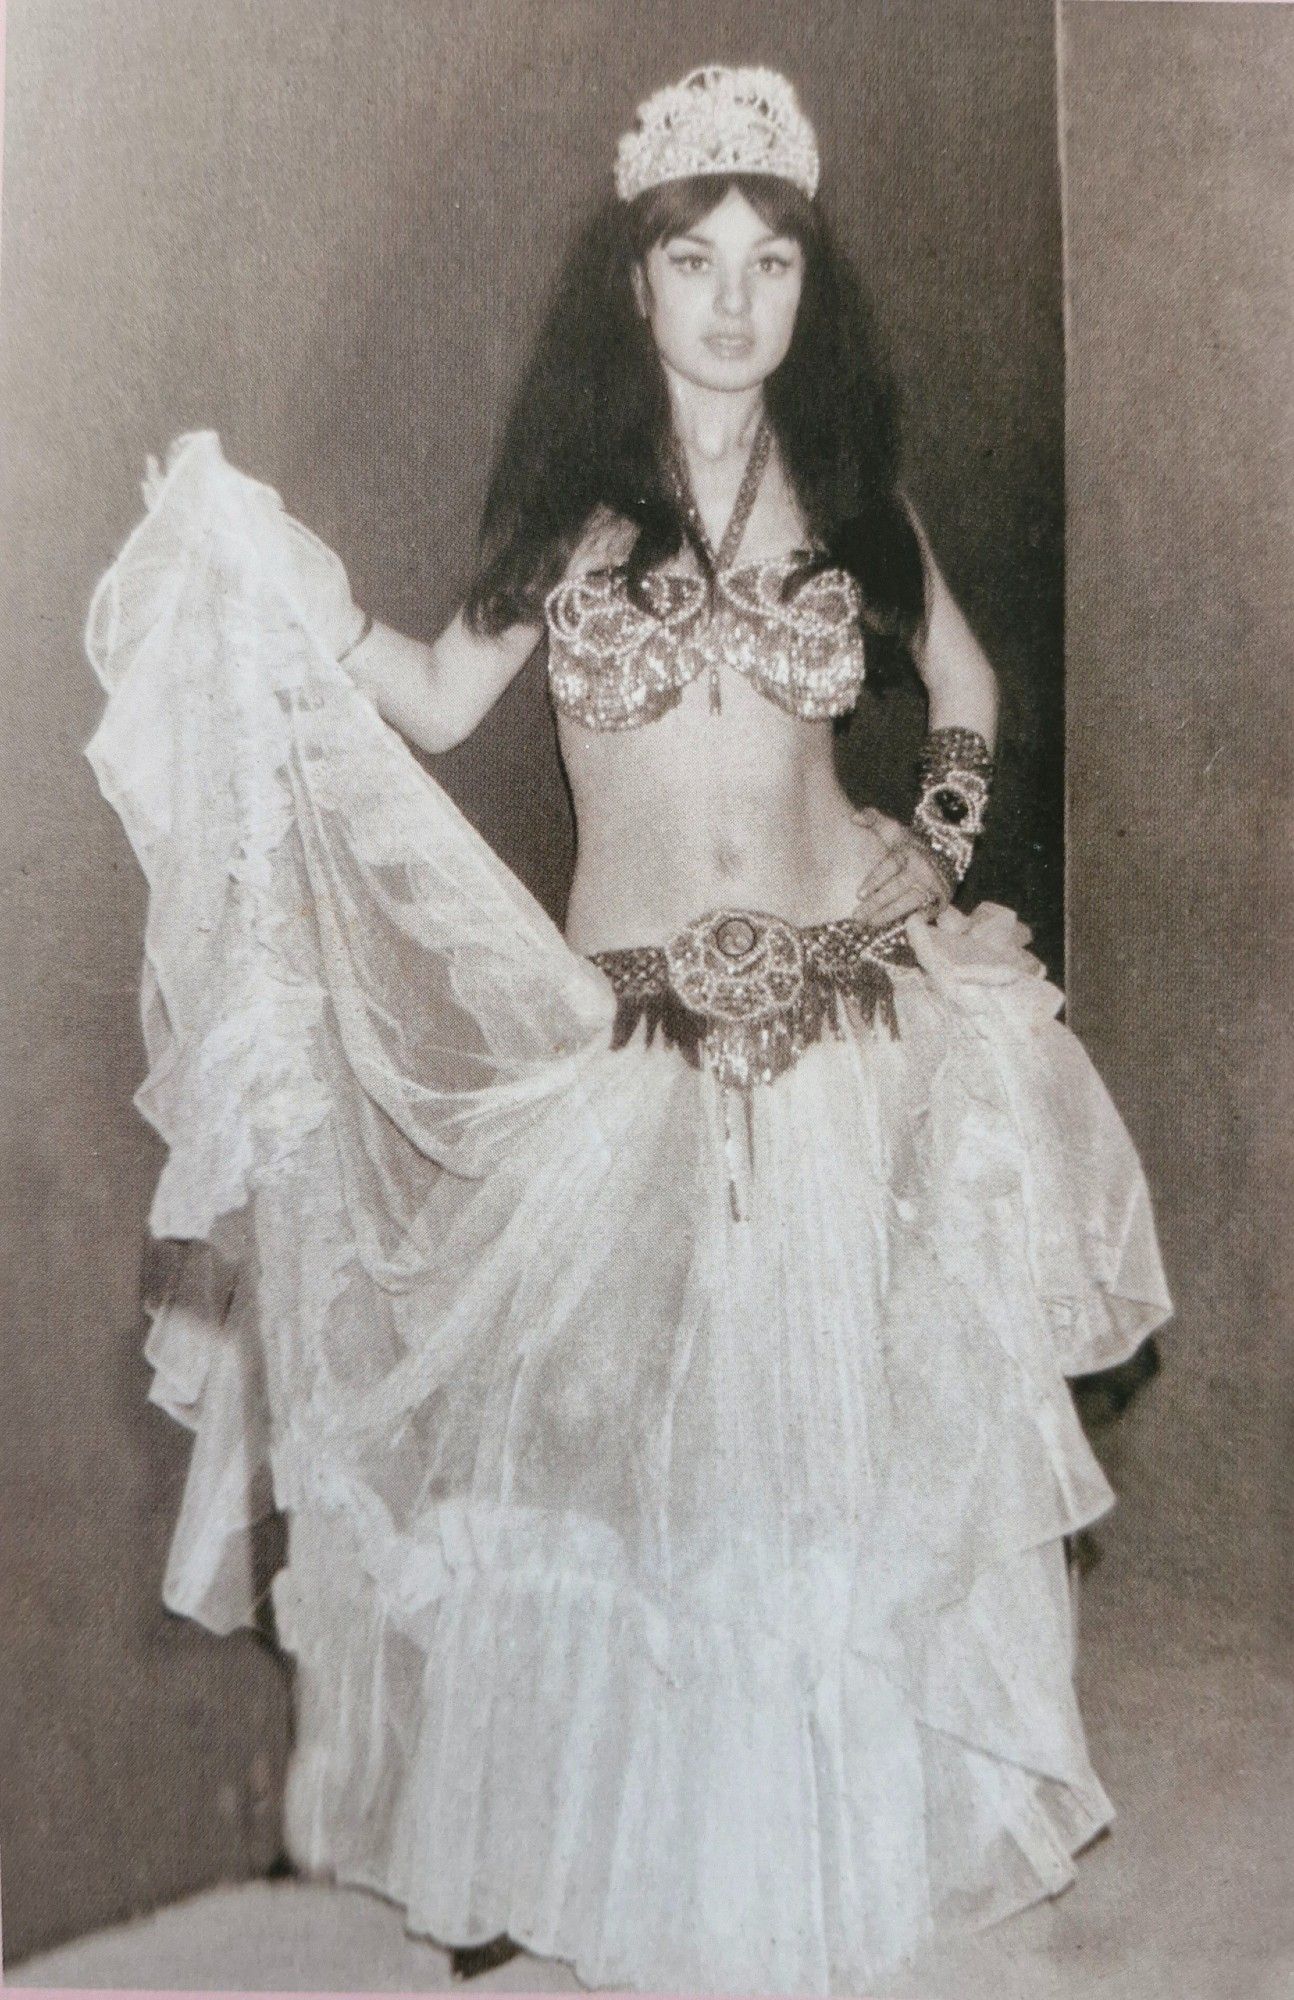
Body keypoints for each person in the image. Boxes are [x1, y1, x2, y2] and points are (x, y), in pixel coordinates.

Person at [85, 64, 1172, 1999]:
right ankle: (563, 1853)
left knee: (811, 1470)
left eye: (770, 263)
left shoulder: (850, 498)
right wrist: (271, 577)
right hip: (626, 1045)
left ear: (801, 296)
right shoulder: (575, 524)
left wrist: (926, 849)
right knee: (604, 1459)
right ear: (640, 288)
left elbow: (968, 680)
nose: (735, 301)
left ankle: (794, 1849)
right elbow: (423, 700)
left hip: (840, 1037)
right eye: (695, 263)